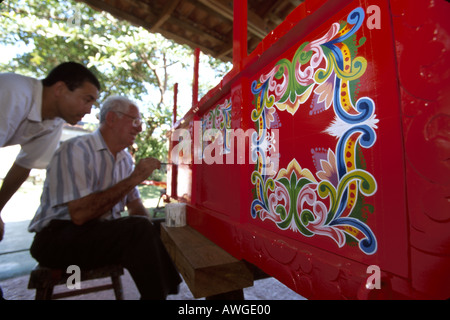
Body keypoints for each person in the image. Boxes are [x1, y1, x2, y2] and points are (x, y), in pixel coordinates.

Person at [28, 95, 181, 299]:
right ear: (111, 119)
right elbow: (80, 215)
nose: (140, 128)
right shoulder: (77, 149)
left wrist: (157, 229)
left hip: (97, 234)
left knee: (160, 224)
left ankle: (165, 292)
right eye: (135, 121)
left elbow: (136, 208)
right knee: (139, 228)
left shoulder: (125, 159)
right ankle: (158, 296)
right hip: (57, 238)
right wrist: (135, 178)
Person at [0, 62, 100, 242]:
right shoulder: (14, 92)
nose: (89, 110)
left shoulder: (52, 123)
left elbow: (23, 166)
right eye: (87, 99)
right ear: (60, 89)